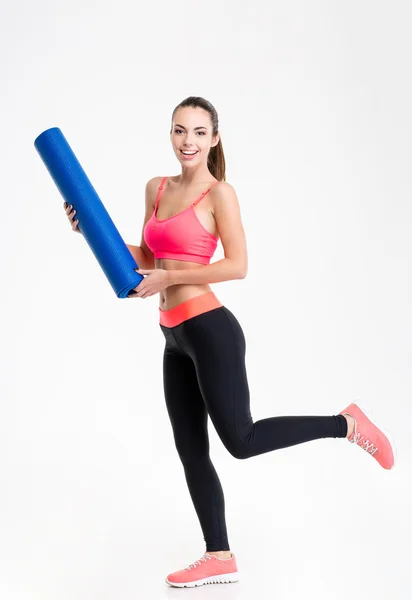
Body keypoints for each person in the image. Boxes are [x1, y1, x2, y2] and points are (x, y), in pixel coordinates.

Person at [64, 96, 396, 588]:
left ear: (214, 138)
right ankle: (218, 554)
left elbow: (238, 265)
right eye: (180, 131)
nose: (188, 141)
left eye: (199, 132)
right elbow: (145, 257)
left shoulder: (220, 194)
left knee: (240, 441)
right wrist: (87, 230)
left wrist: (165, 276)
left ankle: (345, 424)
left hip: (210, 328)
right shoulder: (155, 188)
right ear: (171, 134)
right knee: (190, 449)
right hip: (172, 334)